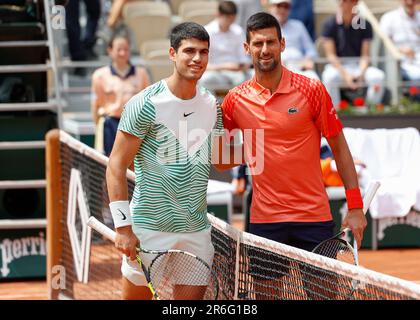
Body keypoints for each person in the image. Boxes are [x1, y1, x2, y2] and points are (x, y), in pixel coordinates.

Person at [218, 12, 366, 256]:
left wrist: (355, 206)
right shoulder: (234, 100)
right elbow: (221, 163)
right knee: (266, 294)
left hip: (313, 216)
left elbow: (339, 148)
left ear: (282, 44)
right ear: (247, 48)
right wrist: (250, 149)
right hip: (265, 220)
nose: (264, 49)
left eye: (271, 42)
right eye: (258, 43)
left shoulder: (312, 89)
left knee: (321, 294)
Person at [106, 22, 224, 300]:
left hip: (195, 230)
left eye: (204, 52)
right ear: (172, 53)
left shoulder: (212, 104)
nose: (197, 58)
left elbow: (220, 159)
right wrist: (123, 228)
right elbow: (116, 165)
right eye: (189, 51)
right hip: (148, 229)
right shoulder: (144, 103)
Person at [91, 33, 150, 156]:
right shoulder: (99, 76)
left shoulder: (141, 73)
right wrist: (98, 127)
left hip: (135, 124)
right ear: (110, 51)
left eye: (126, 49)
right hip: (110, 124)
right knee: (108, 162)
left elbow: (148, 102)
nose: (123, 53)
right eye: (119, 49)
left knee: (135, 162)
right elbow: (96, 105)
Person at [321, 0, 385, 108]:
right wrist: (345, 75)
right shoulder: (329, 23)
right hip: (337, 67)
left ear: (355, 2)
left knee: (378, 77)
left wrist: (360, 74)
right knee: (329, 77)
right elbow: (331, 55)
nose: (344, 3)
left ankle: (370, 110)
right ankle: (334, 113)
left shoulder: (364, 23)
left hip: (358, 66)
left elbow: (365, 55)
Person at [200, 1, 251, 91]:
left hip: (237, 73)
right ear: (218, 15)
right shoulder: (207, 32)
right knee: (206, 79)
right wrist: (225, 66)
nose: (229, 23)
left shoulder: (238, 31)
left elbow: (244, 58)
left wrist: (243, 65)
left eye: (232, 19)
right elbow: (203, 64)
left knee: (255, 76)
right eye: (227, 19)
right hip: (215, 72)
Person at [268, 0, 319, 79]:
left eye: (286, 6)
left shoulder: (298, 26)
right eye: (279, 6)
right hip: (273, 69)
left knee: (314, 80)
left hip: (299, 67)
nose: (282, 10)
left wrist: (308, 59)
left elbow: (311, 50)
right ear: (270, 8)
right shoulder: (264, 28)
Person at [380, 0, 420, 84]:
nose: (410, 2)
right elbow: (384, 44)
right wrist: (399, 50)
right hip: (402, 64)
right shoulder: (389, 18)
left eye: (413, 0)